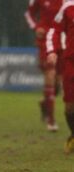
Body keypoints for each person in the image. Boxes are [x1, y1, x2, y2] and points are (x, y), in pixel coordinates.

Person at [24, 0, 64, 131]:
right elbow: (29, 14)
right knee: (50, 75)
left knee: (58, 85)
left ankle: (44, 103)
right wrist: (36, 27)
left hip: (63, 41)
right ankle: (51, 120)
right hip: (45, 40)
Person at [46, 0, 74, 154]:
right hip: (71, 64)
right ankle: (73, 135)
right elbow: (54, 30)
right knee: (70, 109)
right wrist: (52, 51)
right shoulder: (68, 7)